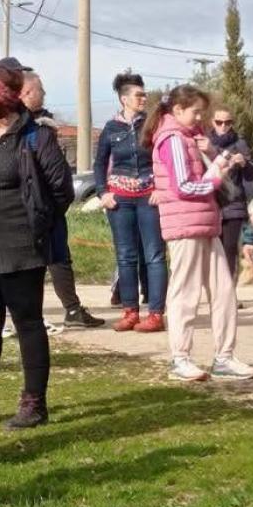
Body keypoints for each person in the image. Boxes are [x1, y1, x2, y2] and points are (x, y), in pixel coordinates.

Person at [0, 63, 75, 428]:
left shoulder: (37, 137)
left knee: (28, 323)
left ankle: (34, 403)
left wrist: (34, 224)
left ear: (2, 97)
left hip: (21, 247)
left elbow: (61, 191)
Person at [145, 84, 253, 383]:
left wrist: (215, 161)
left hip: (206, 223)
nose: (200, 119)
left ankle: (224, 356)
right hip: (184, 227)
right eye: (196, 112)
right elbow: (185, 186)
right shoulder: (171, 139)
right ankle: (180, 358)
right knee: (185, 293)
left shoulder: (189, 138)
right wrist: (216, 177)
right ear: (178, 110)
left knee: (223, 291)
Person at [19, 67, 104, 328]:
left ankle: (72, 309)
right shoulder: (26, 130)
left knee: (58, 258)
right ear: (26, 92)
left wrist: (55, 206)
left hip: (48, 208)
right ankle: (29, 316)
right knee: (31, 263)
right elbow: (56, 178)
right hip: (31, 210)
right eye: (40, 89)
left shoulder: (42, 125)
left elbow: (58, 180)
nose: (44, 93)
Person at [94, 71, 168, 332]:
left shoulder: (152, 124)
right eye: (139, 95)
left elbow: (164, 157)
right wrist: (103, 192)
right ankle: (130, 312)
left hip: (149, 198)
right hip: (120, 201)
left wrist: (162, 187)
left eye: (144, 93)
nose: (144, 98)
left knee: (155, 255)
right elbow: (100, 163)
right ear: (124, 99)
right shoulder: (111, 128)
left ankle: (156, 314)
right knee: (125, 256)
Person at [207, 104, 253, 282]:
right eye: (219, 122)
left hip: (233, 203)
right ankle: (215, 291)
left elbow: (252, 175)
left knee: (229, 249)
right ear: (212, 122)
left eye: (228, 122)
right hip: (209, 201)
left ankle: (229, 291)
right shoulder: (205, 142)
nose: (223, 126)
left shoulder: (240, 143)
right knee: (212, 251)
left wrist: (244, 163)